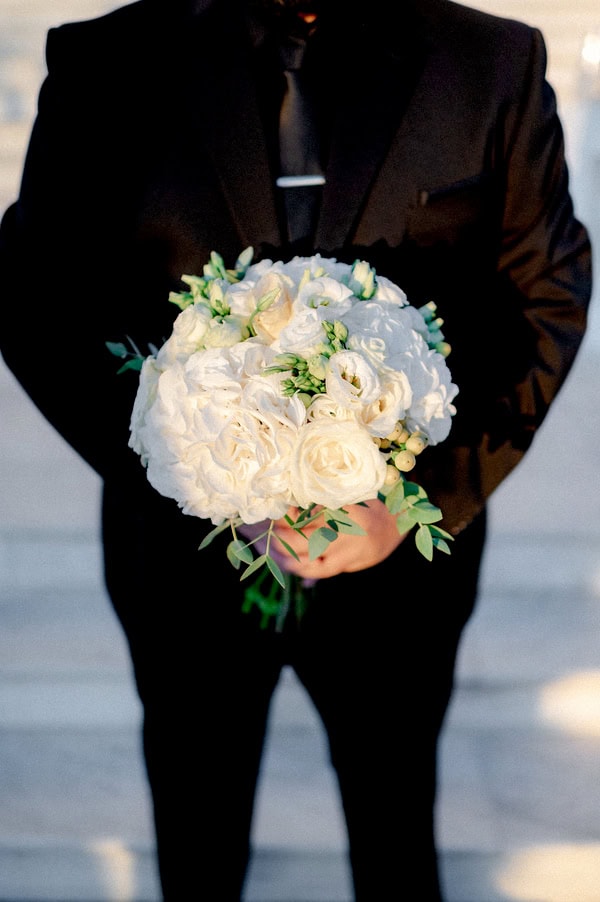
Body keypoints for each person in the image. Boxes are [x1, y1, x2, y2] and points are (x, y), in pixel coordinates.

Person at [0, 0, 592, 898]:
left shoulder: (490, 62)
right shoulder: (105, 62)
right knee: (197, 840)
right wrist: (188, 467)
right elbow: (37, 301)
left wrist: (414, 500)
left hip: (403, 570)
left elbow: (544, 291)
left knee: (397, 834)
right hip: (182, 564)